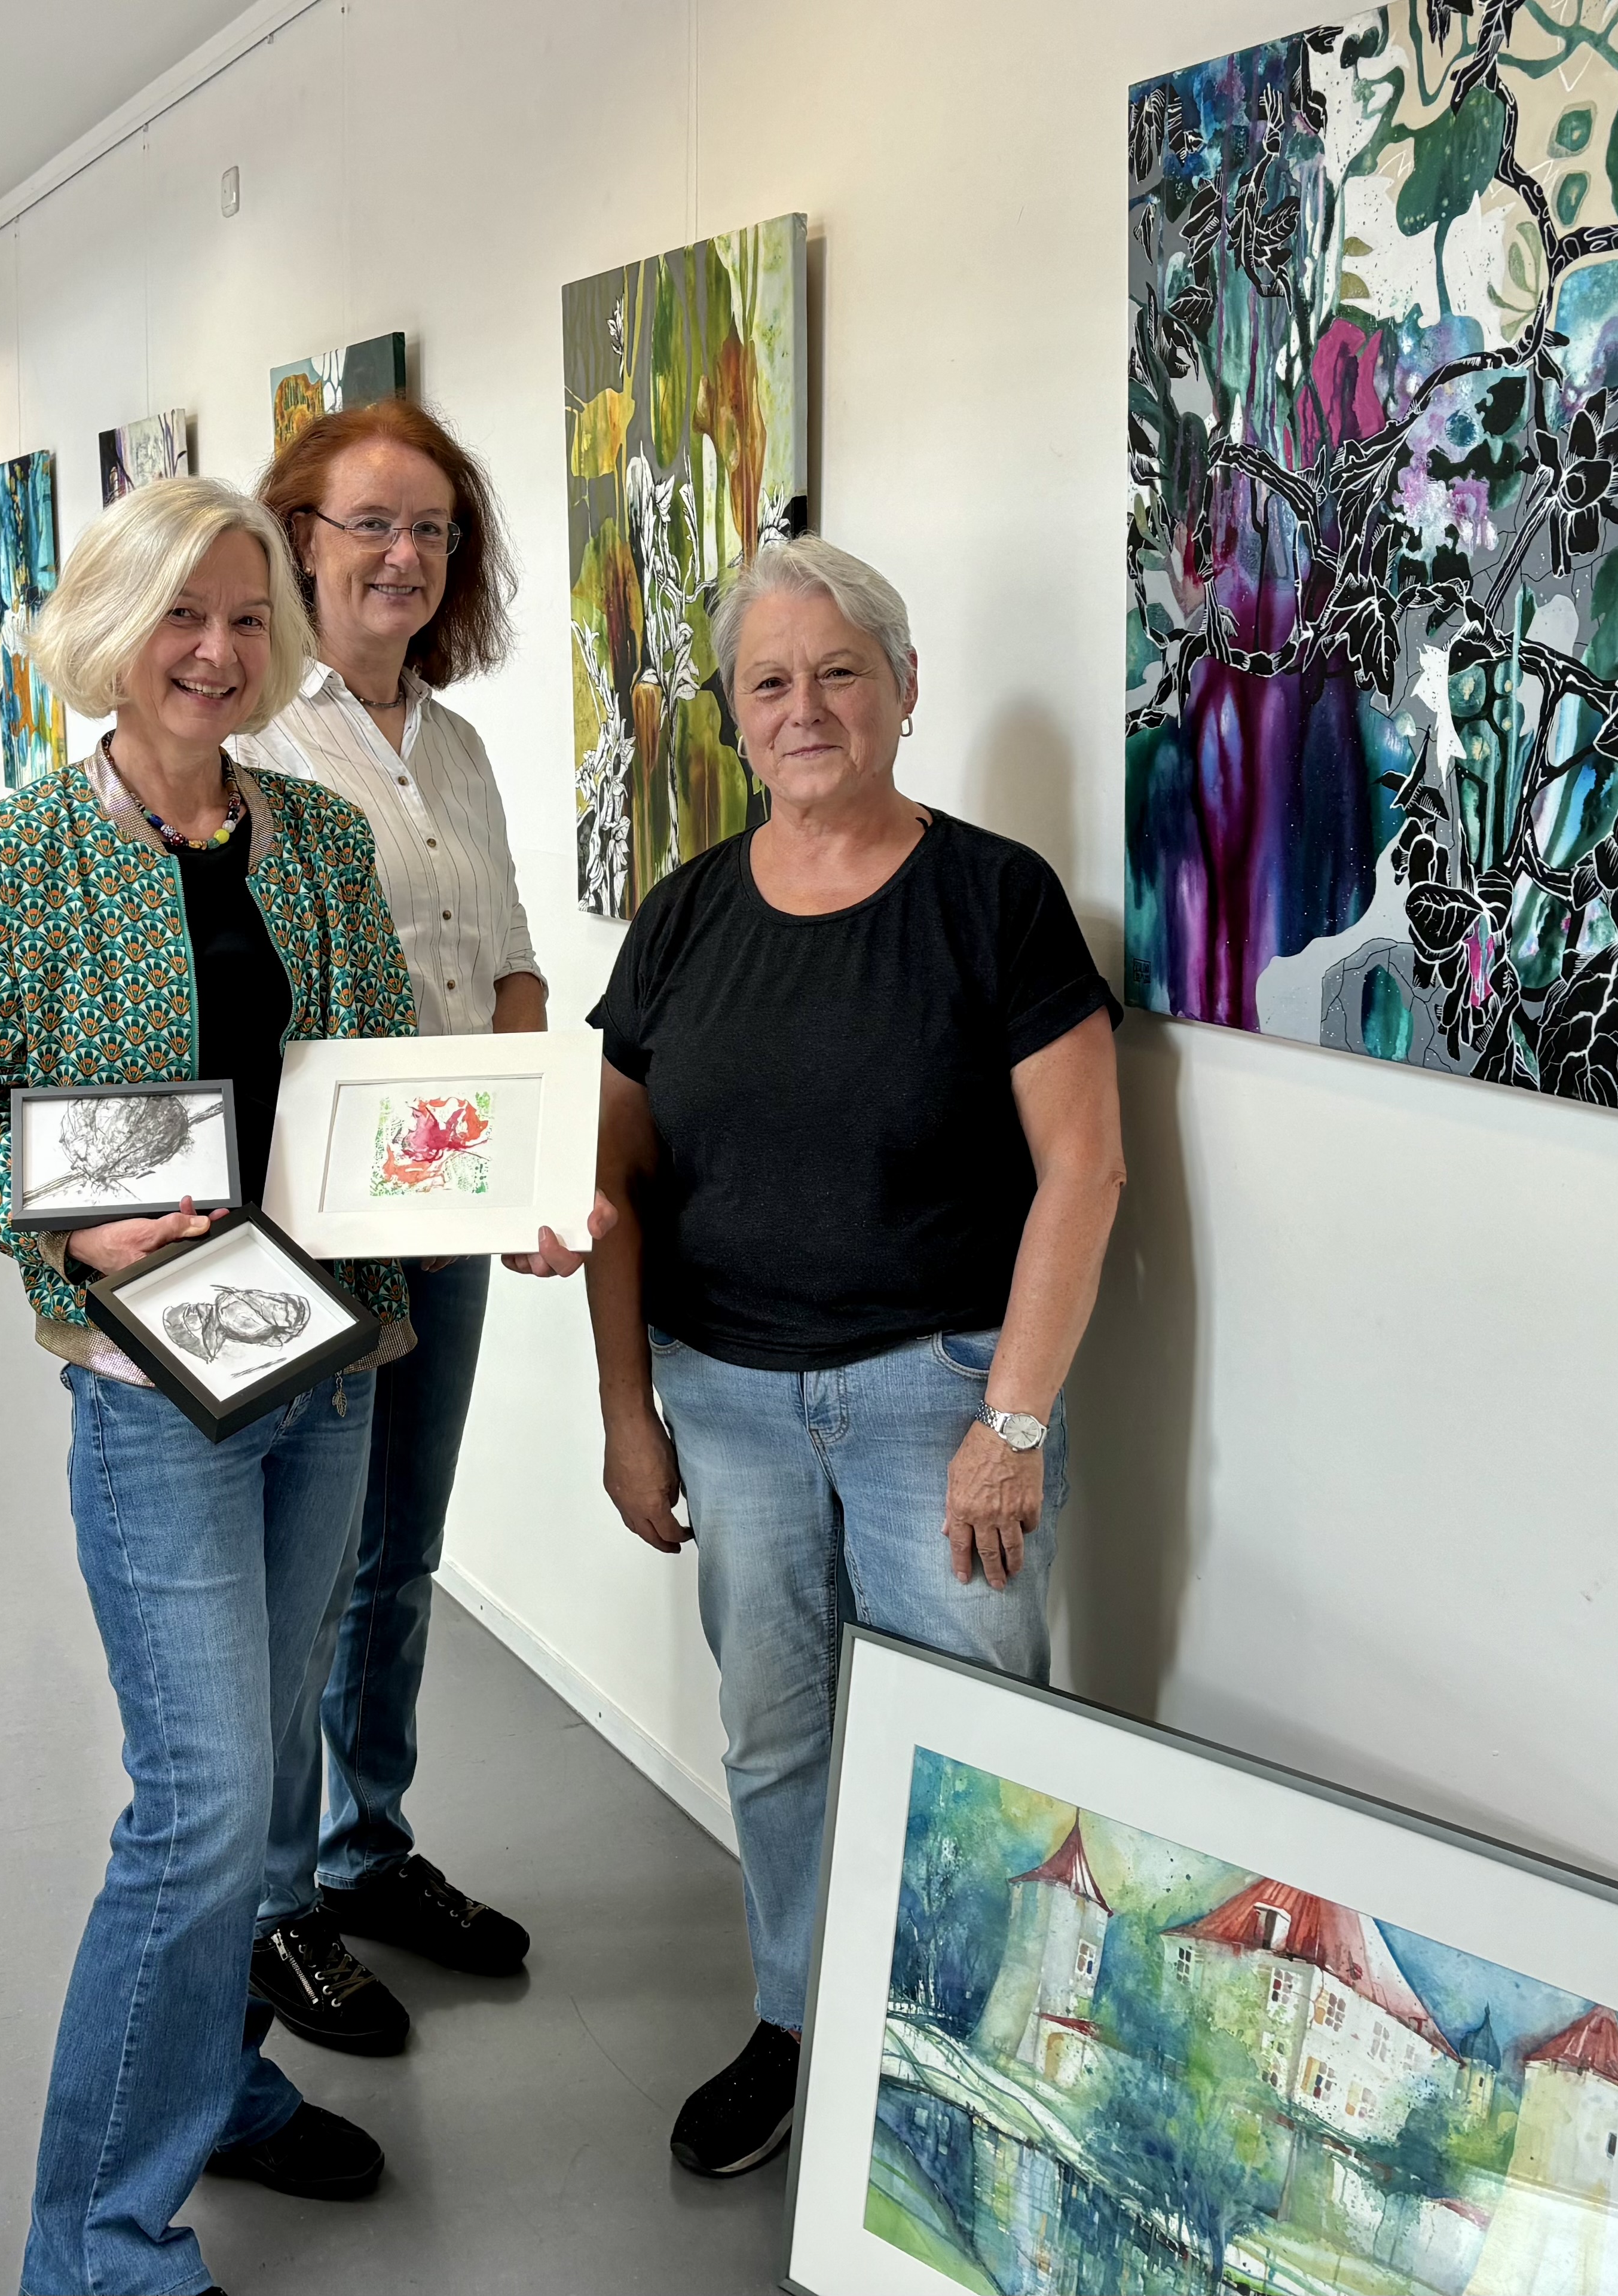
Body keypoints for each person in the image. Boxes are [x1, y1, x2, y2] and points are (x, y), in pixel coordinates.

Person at [0, 474, 418, 2296]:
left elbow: (371, 1082)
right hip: (149, 1385)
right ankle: (95, 2245)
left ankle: (216, 2086)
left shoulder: (316, 839)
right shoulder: (11, 859)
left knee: (270, 1773)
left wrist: (473, 1192)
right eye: (178, 616)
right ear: (107, 631)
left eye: (244, 617)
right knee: (198, 1806)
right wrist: (70, 1235)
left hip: (323, 1354)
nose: (214, 652)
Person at [583, 536, 1128, 2180]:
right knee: (775, 1735)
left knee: (976, 1744)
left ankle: (957, 2067)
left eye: (838, 672)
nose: (804, 706)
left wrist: (1010, 1423)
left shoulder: (993, 901)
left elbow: (1083, 1170)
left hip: (931, 1402)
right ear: (733, 718)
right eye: (769, 681)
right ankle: (798, 2018)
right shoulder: (681, 919)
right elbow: (605, 1188)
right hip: (730, 1408)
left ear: (901, 689)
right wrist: (626, 1410)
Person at [235, 397, 552, 2053]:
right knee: (308, 1567)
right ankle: (277, 1899)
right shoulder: (254, 744)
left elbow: (505, 967)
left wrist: (514, 1169)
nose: (402, 555)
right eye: (369, 522)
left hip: (435, 1209)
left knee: (399, 1556)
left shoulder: (457, 747)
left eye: (429, 527)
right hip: (296, 1226)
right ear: (298, 537)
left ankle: (368, 1847)